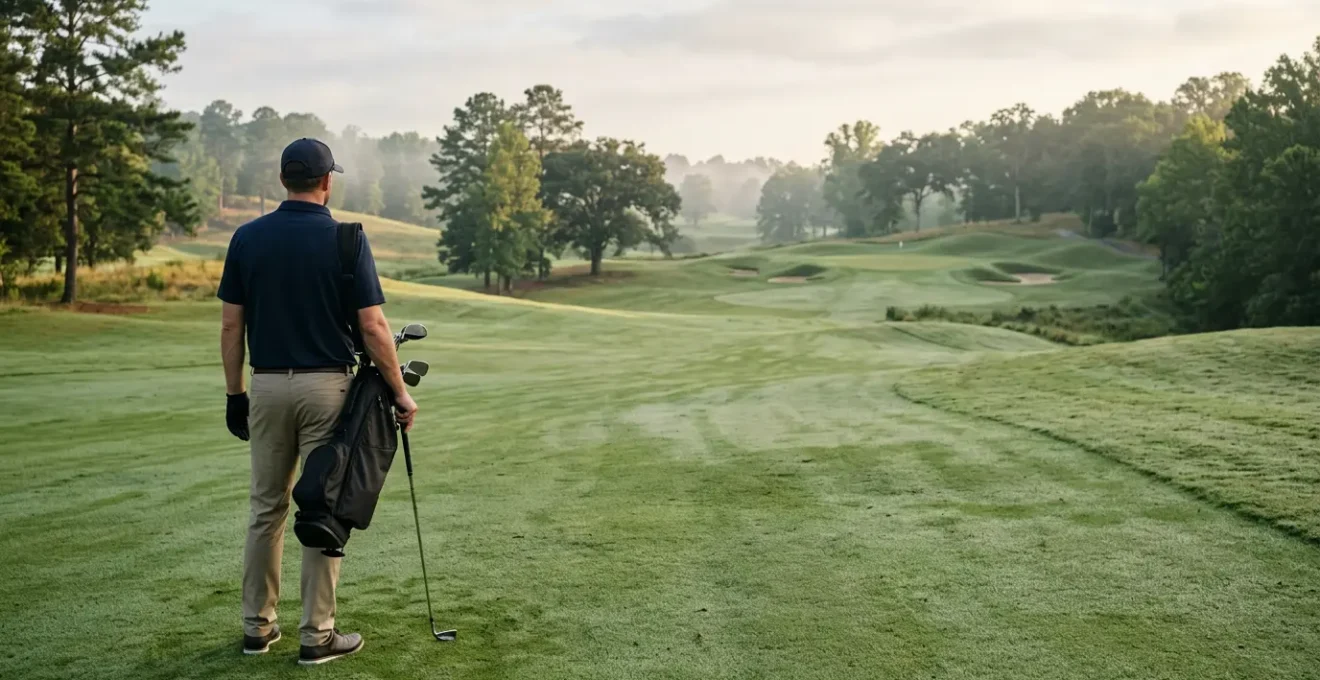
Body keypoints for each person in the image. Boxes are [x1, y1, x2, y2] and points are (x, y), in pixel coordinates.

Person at [217, 138, 419, 666]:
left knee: (267, 508)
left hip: (265, 386)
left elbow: (231, 324)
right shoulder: (346, 239)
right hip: (328, 389)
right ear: (328, 181)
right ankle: (317, 635)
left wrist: (235, 393)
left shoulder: (247, 238)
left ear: (283, 180)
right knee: (322, 502)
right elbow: (374, 326)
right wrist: (399, 392)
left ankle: (257, 629)